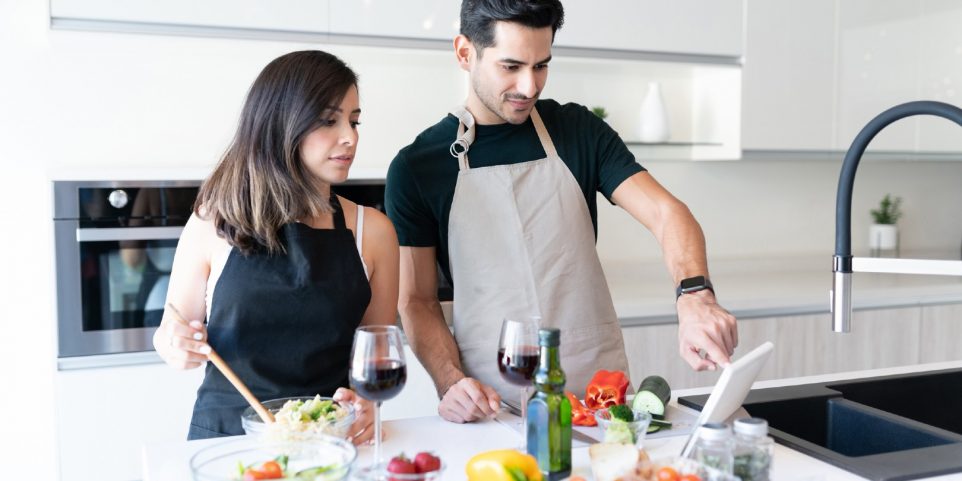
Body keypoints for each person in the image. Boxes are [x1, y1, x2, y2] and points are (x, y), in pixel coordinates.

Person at [385, 0, 738, 424]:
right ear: (465, 52)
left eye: (541, 66)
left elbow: (668, 214)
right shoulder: (417, 167)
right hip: (492, 406)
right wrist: (449, 381)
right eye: (511, 66)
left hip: (599, 397)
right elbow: (418, 301)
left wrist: (695, 296)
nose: (530, 87)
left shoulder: (577, 131)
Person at [153, 50, 399, 442]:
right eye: (328, 120)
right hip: (226, 443)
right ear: (281, 124)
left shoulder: (374, 232)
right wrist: (173, 343)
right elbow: (173, 329)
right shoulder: (212, 220)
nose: (350, 137)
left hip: (330, 443)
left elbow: (376, 361)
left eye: (354, 121)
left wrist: (367, 403)